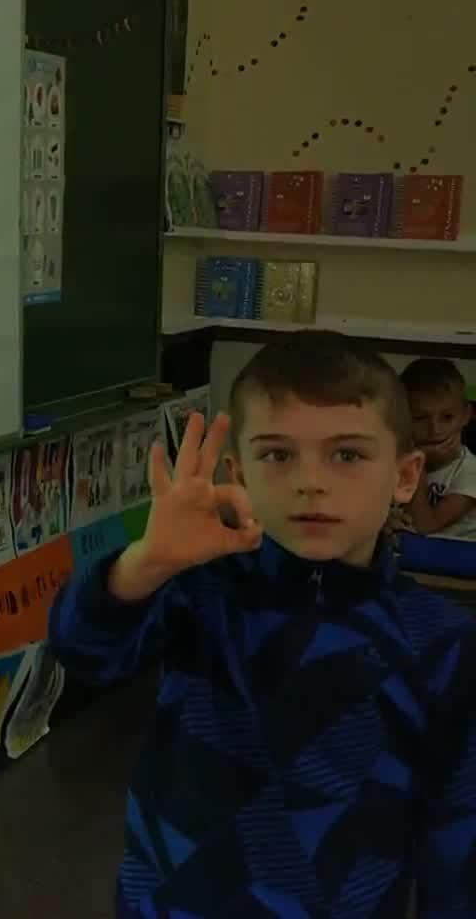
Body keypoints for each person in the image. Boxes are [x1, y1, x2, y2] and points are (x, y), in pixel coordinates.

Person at [49, 331, 476, 916]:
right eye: (277, 455)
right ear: (240, 474)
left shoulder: (441, 641)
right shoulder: (200, 589)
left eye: (347, 455)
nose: (310, 481)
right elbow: (83, 652)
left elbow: (458, 832)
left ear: (405, 477)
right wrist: (146, 564)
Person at [400, 357, 476, 540]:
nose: (435, 429)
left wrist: (416, 464)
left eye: (447, 417)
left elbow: (423, 527)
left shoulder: (470, 471)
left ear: (466, 416)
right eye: (420, 418)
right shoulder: (393, 457)